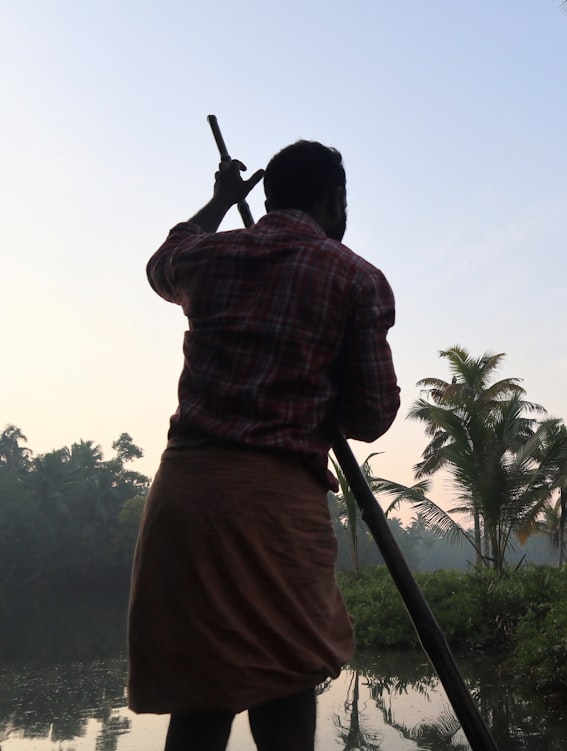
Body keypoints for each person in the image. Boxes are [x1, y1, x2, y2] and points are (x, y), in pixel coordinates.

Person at [127, 141, 400, 751]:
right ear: (335, 200)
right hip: (275, 507)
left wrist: (222, 201)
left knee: (200, 697)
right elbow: (372, 415)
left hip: (186, 499)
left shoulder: (210, 254)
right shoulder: (356, 277)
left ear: (265, 198)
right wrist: (317, 383)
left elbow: (160, 263)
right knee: (284, 686)